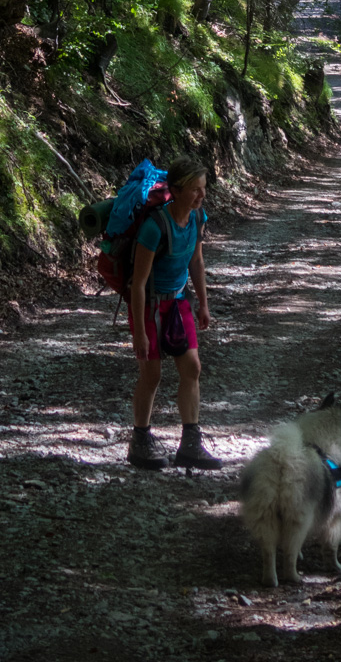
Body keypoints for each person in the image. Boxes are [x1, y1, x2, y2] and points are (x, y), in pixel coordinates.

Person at [127, 155, 223, 470]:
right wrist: (140, 332)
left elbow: (196, 261)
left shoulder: (197, 218)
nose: (201, 195)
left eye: (203, 188)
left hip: (179, 303)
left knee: (192, 368)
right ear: (177, 190)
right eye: (195, 189)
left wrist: (203, 304)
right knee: (151, 375)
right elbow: (138, 284)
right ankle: (140, 440)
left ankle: (190, 444)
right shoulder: (154, 228)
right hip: (150, 305)